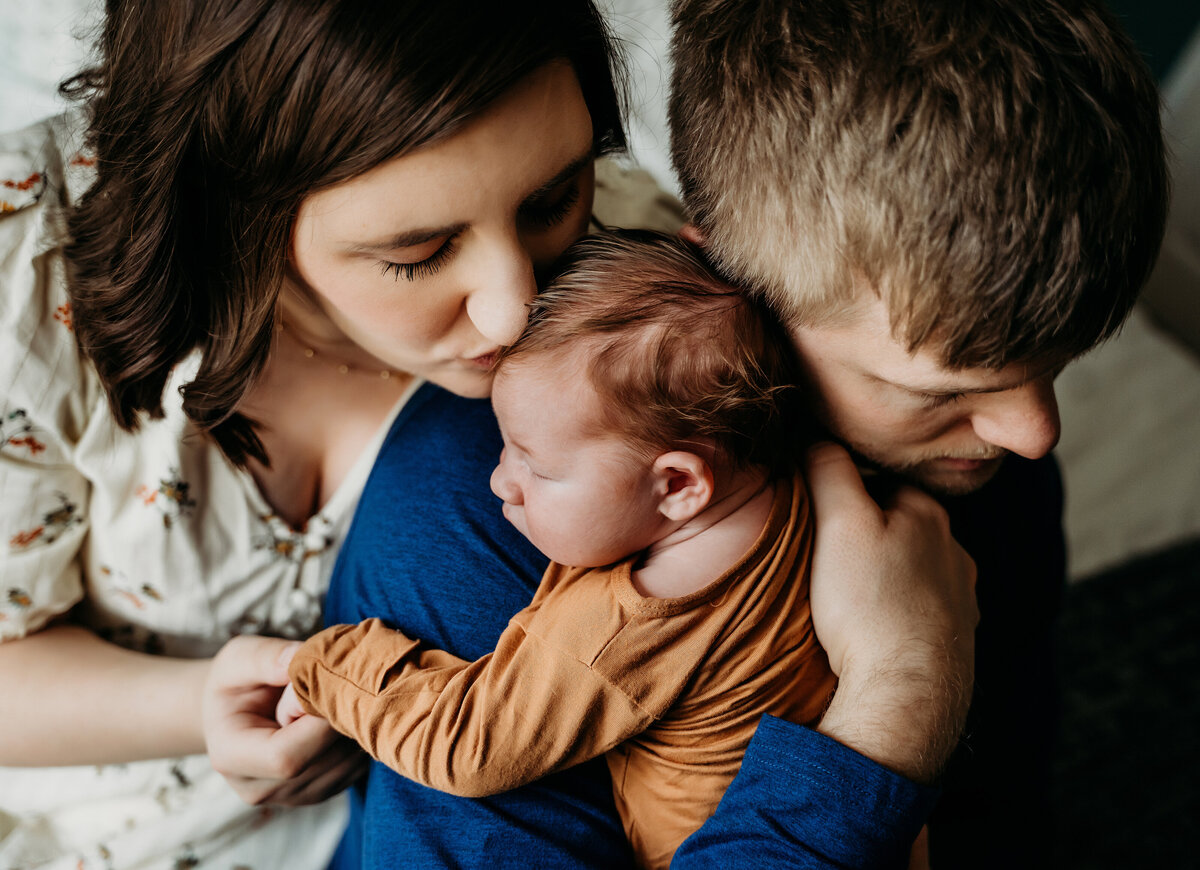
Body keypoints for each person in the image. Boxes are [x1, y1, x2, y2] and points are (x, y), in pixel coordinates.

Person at [0, 0, 974, 867]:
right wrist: (206, 701)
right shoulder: (25, 289)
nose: (515, 312)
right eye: (418, 253)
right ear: (239, 216)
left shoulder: (633, 308)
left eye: (553, 198)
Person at [666, 0, 1169, 865]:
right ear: (729, 288)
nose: (1034, 432)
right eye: (938, 390)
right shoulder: (596, 520)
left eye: (1056, 365)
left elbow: (1009, 770)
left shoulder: (990, 475)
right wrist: (905, 686)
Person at [281, 230, 838, 869]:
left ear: (678, 484)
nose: (498, 480)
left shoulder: (626, 625)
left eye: (538, 468)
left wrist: (322, 662)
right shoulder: (782, 476)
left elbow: (468, 747)